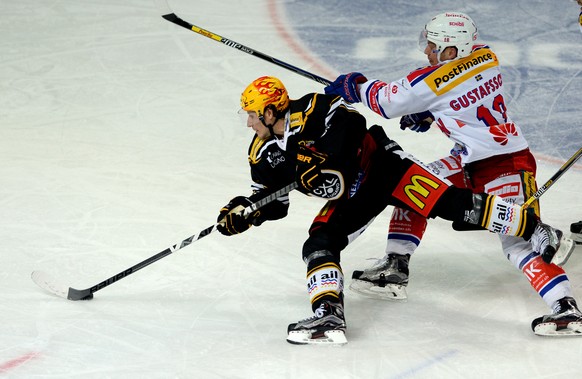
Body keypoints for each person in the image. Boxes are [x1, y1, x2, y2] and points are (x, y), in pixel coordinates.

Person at [216, 75, 564, 345]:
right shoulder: (262, 153)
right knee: (318, 244)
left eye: (251, 114)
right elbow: (274, 202)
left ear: (271, 110)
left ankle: (532, 227)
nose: (249, 123)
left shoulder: (317, 107)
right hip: (352, 195)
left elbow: (353, 129)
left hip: (384, 168)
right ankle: (327, 316)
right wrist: (247, 211)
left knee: (450, 203)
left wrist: (321, 159)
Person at [324, 12, 582, 337]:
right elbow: (462, 97)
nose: (427, 52)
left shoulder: (429, 80)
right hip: (476, 158)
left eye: (432, 47)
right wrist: (431, 113)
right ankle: (395, 266)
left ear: (450, 51)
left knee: (518, 244)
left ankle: (566, 308)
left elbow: (387, 101)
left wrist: (354, 86)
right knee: (413, 182)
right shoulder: (485, 54)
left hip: (504, 164)